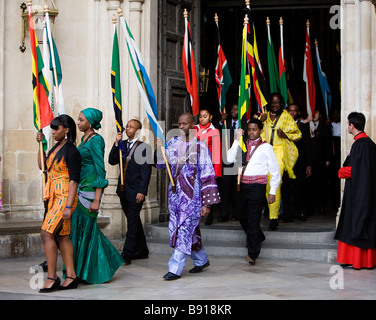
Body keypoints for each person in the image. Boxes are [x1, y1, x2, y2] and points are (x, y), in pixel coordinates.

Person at [155, 113, 221, 280]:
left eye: (185, 123)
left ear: (193, 125)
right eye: (179, 124)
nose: (182, 126)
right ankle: (201, 260)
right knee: (184, 229)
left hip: (193, 198)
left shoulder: (200, 147)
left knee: (184, 230)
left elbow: (207, 174)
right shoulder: (172, 143)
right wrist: (159, 149)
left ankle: (175, 268)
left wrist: (207, 204)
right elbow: (161, 165)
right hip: (175, 196)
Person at [69, 108, 123, 284]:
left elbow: (101, 169)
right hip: (81, 186)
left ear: (90, 123)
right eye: (78, 120)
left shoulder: (96, 140)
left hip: (90, 189)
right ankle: (82, 269)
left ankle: (93, 269)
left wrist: (97, 199)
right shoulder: (83, 139)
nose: (78, 123)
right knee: (81, 228)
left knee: (87, 228)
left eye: (81, 120)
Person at [36, 115, 81, 292]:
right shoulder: (56, 148)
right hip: (53, 197)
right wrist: (39, 145)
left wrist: (69, 206)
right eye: (53, 129)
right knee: (62, 236)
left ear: (66, 130)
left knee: (46, 233)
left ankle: (52, 277)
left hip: (64, 198)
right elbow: (43, 166)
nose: (53, 132)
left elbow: (74, 181)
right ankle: (71, 276)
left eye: (57, 128)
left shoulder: (71, 151)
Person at [227, 119, 280, 265]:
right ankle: (258, 236)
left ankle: (253, 253)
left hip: (258, 187)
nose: (251, 132)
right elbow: (230, 158)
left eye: (254, 129)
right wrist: (237, 139)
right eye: (249, 129)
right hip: (242, 186)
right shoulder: (242, 144)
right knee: (241, 215)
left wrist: (273, 191)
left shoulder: (266, 147)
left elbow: (275, 171)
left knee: (253, 219)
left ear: (261, 131)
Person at [335, 112, 376, 269]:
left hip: (358, 193)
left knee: (356, 223)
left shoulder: (360, 145)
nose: (347, 126)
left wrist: (341, 172)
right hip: (367, 193)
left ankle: (356, 260)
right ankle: (365, 261)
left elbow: (357, 170)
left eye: (347, 124)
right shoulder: (370, 144)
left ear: (351, 125)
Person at [109, 119, 152, 265]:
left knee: (132, 222)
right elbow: (112, 160)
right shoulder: (122, 145)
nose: (128, 129)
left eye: (131, 127)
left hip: (136, 192)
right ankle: (142, 250)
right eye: (127, 126)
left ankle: (127, 254)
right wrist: (116, 143)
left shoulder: (144, 148)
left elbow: (146, 172)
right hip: (123, 190)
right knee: (133, 220)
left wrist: (142, 191)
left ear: (138, 130)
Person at [259, 93, 302, 230]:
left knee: (274, 182)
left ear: (281, 104)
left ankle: (273, 218)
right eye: (272, 102)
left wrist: (285, 135)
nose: (275, 105)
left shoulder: (285, 116)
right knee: (266, 184)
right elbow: (253, 132)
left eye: (277, 102)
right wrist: (261, 120)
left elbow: (298, 134)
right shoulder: (264, 116)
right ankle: (272, 213)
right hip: (265, 151)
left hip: (279, 151)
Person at [215, 103, 246, 222]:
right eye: (232, 108)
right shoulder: (225, 123)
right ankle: (224, 214)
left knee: (237, 189)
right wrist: (221, 121)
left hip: (238, 160)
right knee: (225, 188)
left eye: (236, 109)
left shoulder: (244, 124)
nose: (234, 111)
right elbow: (214, 131)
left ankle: (236, 214)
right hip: (226, 161)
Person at [282, 104, 312, 222]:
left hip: (300, 163)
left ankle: (301, 212)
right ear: (287, 111)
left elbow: (308, 146)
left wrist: (309, 164)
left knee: (299, 189)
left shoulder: (303, 126)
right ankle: (287, 214)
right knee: (286, 189)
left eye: (295, 111)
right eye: (290, 110)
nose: (292, 113)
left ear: (298, 112)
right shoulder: (282, 125)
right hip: (285, 162)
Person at [194, 108, 222, 225]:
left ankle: (209, 215)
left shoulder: (214, 131)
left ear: (210, 117)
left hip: (208, 164)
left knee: (208, 189)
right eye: (200, 116)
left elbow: (217, 151)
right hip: (195, 163)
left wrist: (217, 171)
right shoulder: (194, 129)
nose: (202, 118)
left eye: (205, 116)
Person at [309, 109, 332, 214]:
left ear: (320, 115)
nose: (314, 114)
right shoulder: (306, 125)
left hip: (321, 159)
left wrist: (328, 158)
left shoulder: (325, 127)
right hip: (310, 159)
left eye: (316, 112)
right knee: (310, 183)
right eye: (312, 112)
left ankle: (322, 205)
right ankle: (311, 206)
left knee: (321, 183)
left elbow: (328, 144)